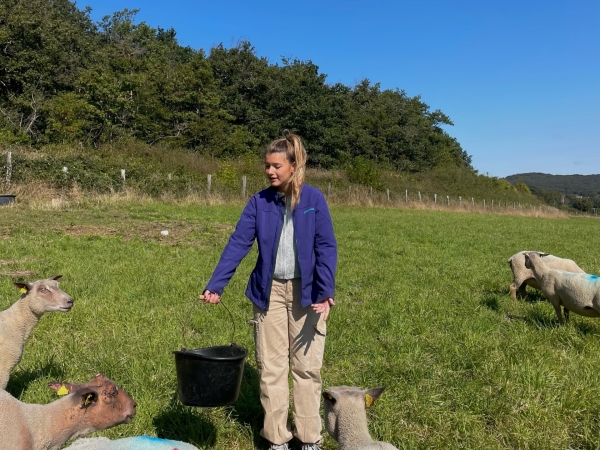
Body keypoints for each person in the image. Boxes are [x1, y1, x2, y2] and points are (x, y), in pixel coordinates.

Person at [202, 132, 337, 450]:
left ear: (294, 166)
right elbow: (238, 243)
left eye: (276, 165)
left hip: (309, 294)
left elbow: (326, 246)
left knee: (307, 368)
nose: (270, 171)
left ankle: (308, 438)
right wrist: (216, 284)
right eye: (267, 166)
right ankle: (276, 438)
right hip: (269, 292)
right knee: (271, 368)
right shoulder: (259, 202)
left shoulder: (314, 200)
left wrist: (325, 290)